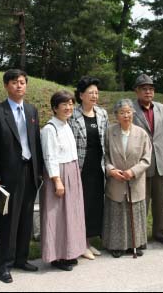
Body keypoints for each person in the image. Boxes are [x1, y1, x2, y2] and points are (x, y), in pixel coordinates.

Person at [0, 69, 42, 284]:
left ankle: (21, 258)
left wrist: (40, 171)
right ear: (6, 86)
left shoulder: (31, 110)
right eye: (14, 82)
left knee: (26, 218)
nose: (19, 86)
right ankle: (3, 265)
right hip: (7, 175)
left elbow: (35, 143)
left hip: (30, 171)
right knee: (7, 220)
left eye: (22, 82)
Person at [40, 90, 86, 271]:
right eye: (64, 104)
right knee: (57, 216)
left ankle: (69, 251)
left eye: (71, 104)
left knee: (71, 214)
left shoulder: (66, 125)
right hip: (58, 174)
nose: (68, 108)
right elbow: (50, 156)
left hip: (72, 171)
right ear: (54, 108)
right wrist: (57, 181)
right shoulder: (49, 129)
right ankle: (56, 256)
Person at [103, 99, 151, 258]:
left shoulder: (141, 133)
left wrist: (133, 171)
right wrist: (111, 170)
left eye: (128, 112)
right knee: (117, 214)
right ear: (116, 115)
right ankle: (116, 245)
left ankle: (135, 244)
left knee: (135, 214)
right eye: (122, 112)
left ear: (133, 113)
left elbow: (146, 159)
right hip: (116, 180)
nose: (126, 115)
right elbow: (105, 156)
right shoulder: (109, 132)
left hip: (135, 180)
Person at [132, 74, 163, 246]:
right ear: (137, 91)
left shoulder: (162, 109)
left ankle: (159, 233)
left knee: (159, 201)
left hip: (160, 162)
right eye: (144, 89)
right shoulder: (131, 109)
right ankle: (140, 237)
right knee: (142, 202)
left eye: (151, 89)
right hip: (140, 163)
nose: (148, 92)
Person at [68, 76, 109, 260]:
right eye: (90, 92)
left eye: (96, 93)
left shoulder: (102, 113)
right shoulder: (72, 115)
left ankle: (89, 241)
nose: (94, 96)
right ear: (81, 95)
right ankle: (81, 243)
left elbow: (105, 140)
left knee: (94, 204)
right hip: (80, 167)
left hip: (98, 167)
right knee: (81, 205)